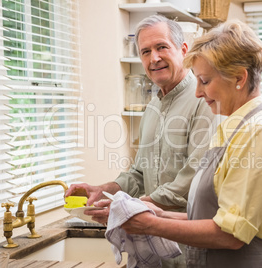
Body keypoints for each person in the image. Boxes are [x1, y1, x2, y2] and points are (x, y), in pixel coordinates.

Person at [120, 20, 262, 267]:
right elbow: (219, 216)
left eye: (205, 81)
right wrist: (160, 214)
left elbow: (231, 234)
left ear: (239, 78)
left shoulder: (259, 133)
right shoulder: (231, 129)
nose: (197, 92)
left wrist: (151, 225)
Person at [65, 15, 215, 267]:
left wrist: (127, 207)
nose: (153, 58)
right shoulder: (153, 106)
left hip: (189, 246)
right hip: (152, 246)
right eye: (145, 51)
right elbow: (138, 174)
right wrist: (104, 190)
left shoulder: (204, 100)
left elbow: (194, 178)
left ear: (183, 50)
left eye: (161, 47)